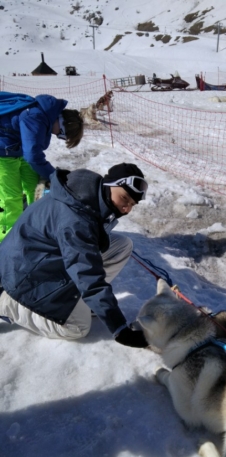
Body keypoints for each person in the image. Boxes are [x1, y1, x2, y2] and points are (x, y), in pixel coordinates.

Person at [0, 163, 149, 348]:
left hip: (37, 260)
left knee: (121, 246)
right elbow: (88, 275)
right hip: (21, 276)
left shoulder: (85, 193)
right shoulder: (75, 220)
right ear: (109, 185)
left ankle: (83, 303)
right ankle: (8, 306)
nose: (127, 209)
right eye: (124, 198)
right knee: (77, 328)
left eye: (132, 205)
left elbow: (85, 257)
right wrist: (119, 328)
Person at [0, 93, 84, 242]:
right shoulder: (36, 116)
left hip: (16, 149)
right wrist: (53, 175)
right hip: (2, 152)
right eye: (62, 135)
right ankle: (7, 240)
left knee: (34, 188)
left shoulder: (45, 115)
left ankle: (34, 225)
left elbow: (32, 152)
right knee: (10, 198)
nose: (58, 136)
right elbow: (33, 156)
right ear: (63, 123)